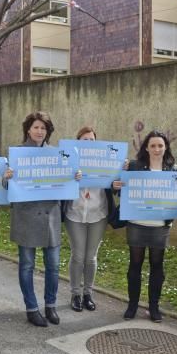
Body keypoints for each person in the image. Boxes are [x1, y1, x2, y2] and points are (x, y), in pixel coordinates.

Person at [5, 111, 81, 327]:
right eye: (36, 127)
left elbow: (65, 184)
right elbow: (5, 188)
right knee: (27, 265)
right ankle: (31, 308)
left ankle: (51, 305)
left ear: (48, 132)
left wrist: (74, 177)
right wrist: (6, 178)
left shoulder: (57, 154)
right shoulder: (17, 153)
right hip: (26, 216)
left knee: (54, 265)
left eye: (44, 128)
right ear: (28, 129)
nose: (40, 131)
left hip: (51, 216)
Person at [114, 129, 177, 323]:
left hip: (160, 225)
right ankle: (132, 305)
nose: (157, 149)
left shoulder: (173, 169)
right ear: (146, 148)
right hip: (136, 223)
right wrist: (117, 184)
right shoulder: (134, 166)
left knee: (157, 265)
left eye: (160, 145)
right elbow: (119, 190)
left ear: (166, 147)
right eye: (153, 145)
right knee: (135, 264)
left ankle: (154, 307)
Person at [64, 126, 113, 312]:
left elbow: (115, 182)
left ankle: (88, 293)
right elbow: (60, 182)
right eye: (84, 140)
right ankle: (75, 293)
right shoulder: (68, 161)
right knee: (78, 255)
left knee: (91, 257)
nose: (89, 143)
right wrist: (71, 177)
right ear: (77, 142)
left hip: (98, 214)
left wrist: (121, 169)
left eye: (92, 140)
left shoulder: (105, 161)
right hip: (75, 213)